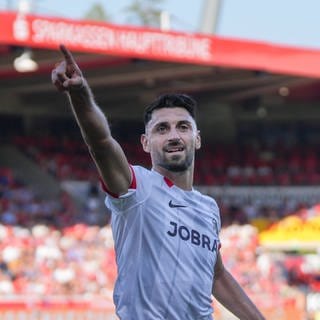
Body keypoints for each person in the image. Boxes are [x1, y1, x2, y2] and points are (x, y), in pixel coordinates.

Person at [52, 45, 266, 320]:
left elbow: (217, 276)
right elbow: (101, 143)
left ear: (197, 139)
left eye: (183, 127)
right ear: (145, 142)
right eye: (162, 129)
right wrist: (80, 94)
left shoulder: (208, 208)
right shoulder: (137, 188)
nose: (174, 136)